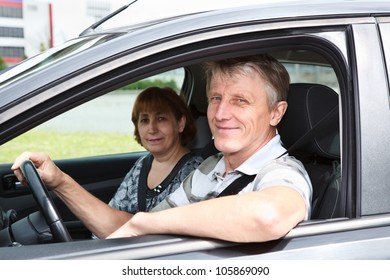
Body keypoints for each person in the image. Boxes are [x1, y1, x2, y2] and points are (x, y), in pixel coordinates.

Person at [106, 54, 313, 243]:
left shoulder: (284, 171)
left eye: (240, 101)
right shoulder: (210, 167)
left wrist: (143, 222)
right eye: (216, 98)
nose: (220, 114)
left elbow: (269, 217)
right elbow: (158, 220)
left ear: (276, 113)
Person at [12, 86, 203, 239]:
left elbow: (145, 233)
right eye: (144, 120)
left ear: (180, 123)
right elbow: (109, 217)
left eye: (161, 118)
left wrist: (61, 181)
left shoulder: (195, 172)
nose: (151, 128)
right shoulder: (142, 166)